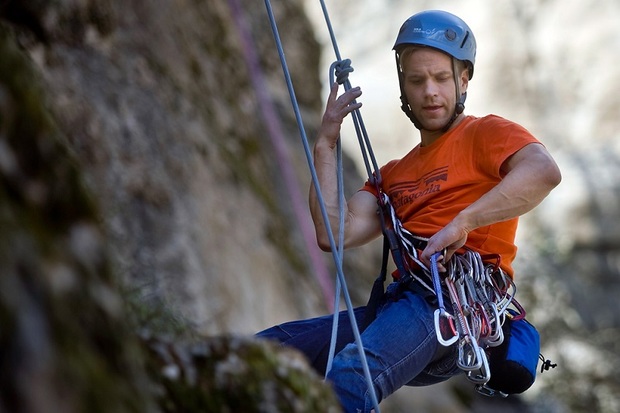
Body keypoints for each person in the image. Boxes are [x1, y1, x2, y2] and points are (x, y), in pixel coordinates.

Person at [256, 9, 561, 412]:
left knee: (350, 377)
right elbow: (333, 234)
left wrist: (464, 221)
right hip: (401, 306)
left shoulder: (485, 133)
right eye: (416, 80)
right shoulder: (393, 176)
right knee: (268, 352)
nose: (430, 92)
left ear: (463, 80)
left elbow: (543, 171)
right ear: (403, 87)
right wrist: (325, 144)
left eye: (441, 78)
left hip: (451, 305)